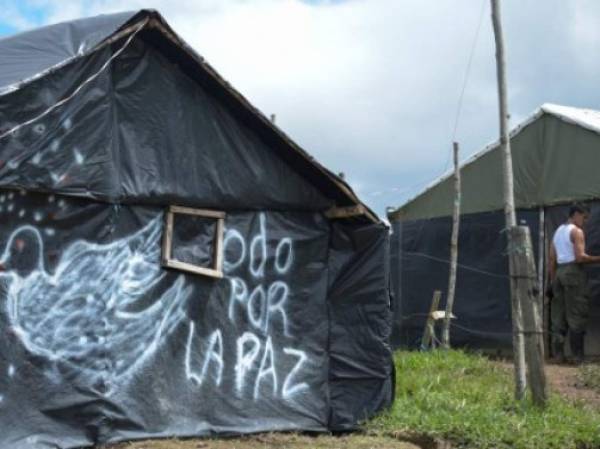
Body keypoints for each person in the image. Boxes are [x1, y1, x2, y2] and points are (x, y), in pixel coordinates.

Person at [548, 203, 600, 364]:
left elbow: (551, 259)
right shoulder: (576, 232)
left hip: (559, 274)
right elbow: (580, 257)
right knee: (577, 312)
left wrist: (552, 280)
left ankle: (558, 355)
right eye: (584, 217)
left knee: (559, 315)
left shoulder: (557, 232)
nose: (584, 222)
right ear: (576, 214)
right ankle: (578, 357)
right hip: (573, 273)